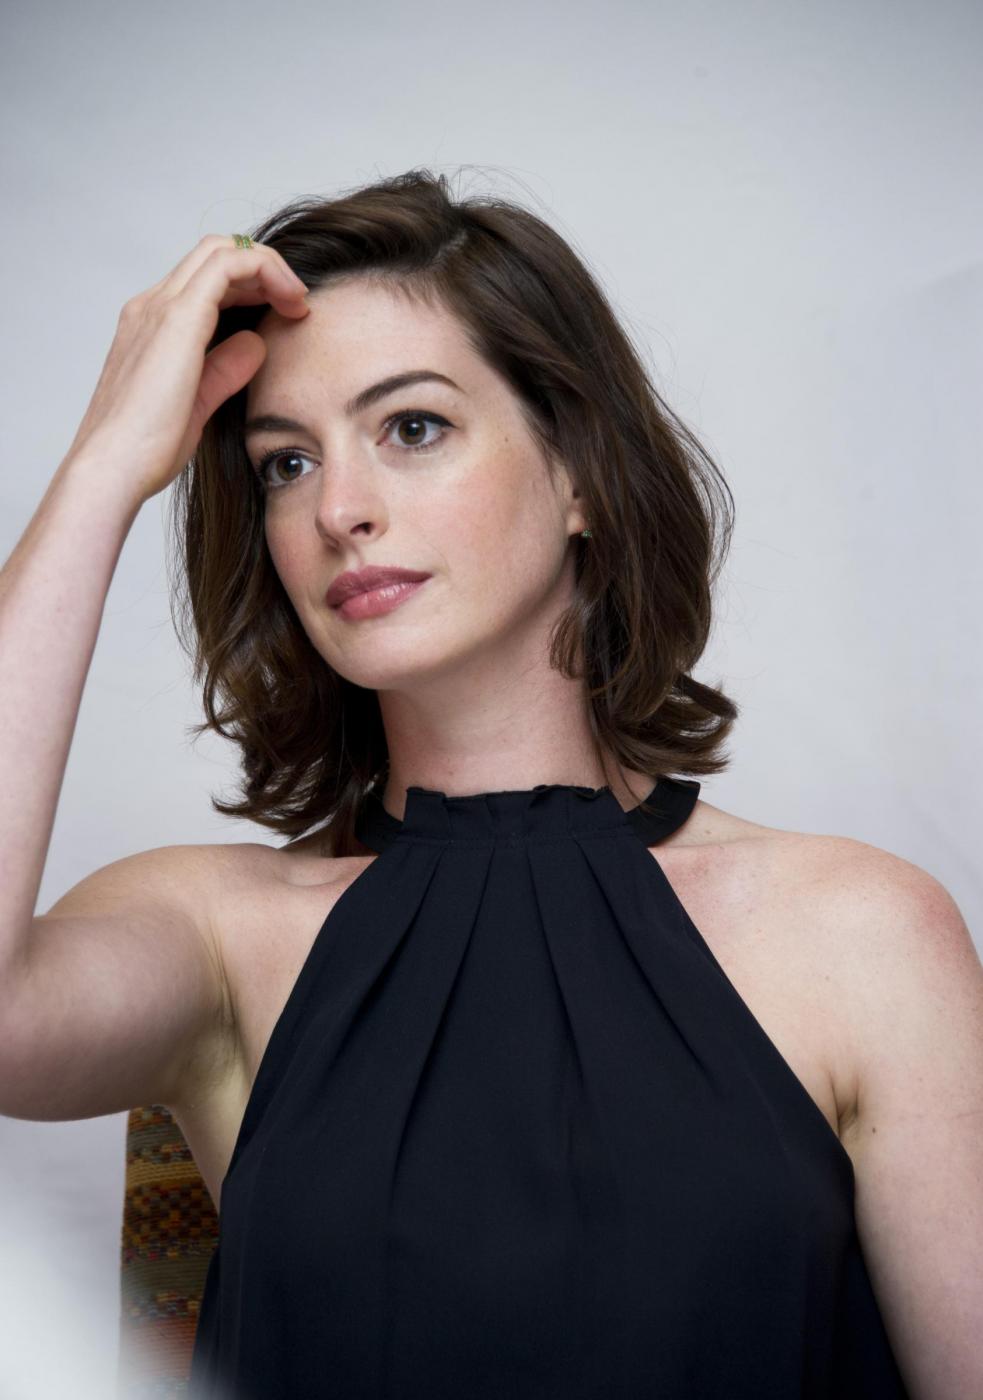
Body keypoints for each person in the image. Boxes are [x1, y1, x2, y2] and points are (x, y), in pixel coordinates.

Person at [0, 168, 979, 1400]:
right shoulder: (218, 933)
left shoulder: (864, 934)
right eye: (284, 463)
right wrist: (104, 464)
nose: (338, 509)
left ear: (579, 474)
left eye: (410, 428)